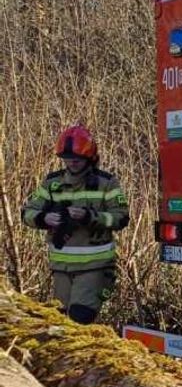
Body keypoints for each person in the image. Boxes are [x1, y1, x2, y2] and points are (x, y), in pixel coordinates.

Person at [21, 125, 129, 324]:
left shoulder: (106, 183)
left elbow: (121, 218)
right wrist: (43, 218)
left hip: (94, 266)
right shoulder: (52, 183)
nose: (72, 163)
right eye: (67, 159)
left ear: (89, 158)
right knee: (59, 323)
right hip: (61, 267)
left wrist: (89, 216)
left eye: (77, 160)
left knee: (80, 318)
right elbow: (27, 212)